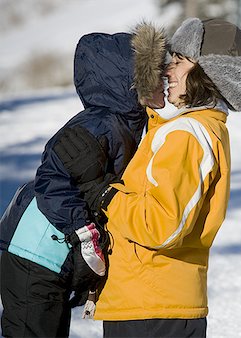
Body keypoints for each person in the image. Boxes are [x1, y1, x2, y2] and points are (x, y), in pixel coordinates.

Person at [56, 17, 241, 337]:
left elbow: (160, 226)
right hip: (155, 303)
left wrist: (103, 192)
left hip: (154, 308)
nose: (168, 70)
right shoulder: (193, 129)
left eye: (179, 61)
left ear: (208, 73)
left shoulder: (187, 134)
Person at [0, 23, 167, 337]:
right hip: (33, 252)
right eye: (156, 72)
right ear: (133, 83)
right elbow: (51, 178)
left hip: (53, 257)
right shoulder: (99, 123)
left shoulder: (127, 122)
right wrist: (85, 234)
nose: (166, 78)